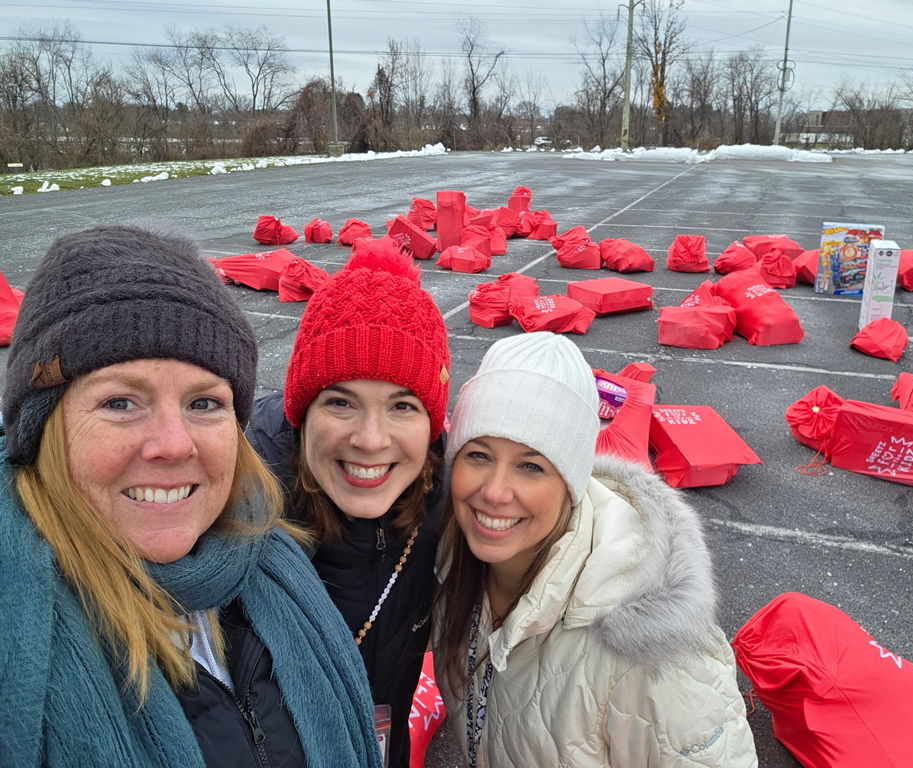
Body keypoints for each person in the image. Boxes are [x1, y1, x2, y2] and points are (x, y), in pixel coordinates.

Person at [0, 225, 381, 768]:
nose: (173, 445)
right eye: (121, 402)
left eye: (204, 404)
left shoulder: (269, 560)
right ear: (43, 429)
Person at [434, 332, 758, 767]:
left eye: (531, 466)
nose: (494, 492)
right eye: (478, 455)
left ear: (571, 482)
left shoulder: (650, 650)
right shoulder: (449, 568)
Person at [246, 237, 450, 768]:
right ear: (302, 411)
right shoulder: (235, 515)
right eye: (341, 402)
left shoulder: (447, 501)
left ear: (432, 425)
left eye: (402, 406)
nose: (371, 439)